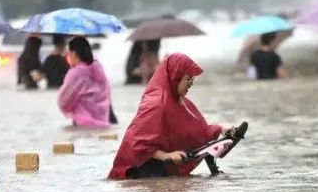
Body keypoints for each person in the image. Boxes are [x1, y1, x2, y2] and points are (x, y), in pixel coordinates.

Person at [108, 53, 236, 179]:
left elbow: (196, 131)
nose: (191, 84)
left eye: (192, 79)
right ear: (176, 76)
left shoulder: (180, 101)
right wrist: (166, 155)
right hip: (140, 170)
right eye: (188, 79)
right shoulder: (155, 103)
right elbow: (135, 143)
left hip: (162, 169)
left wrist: (220, 129)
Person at [57, 36, 112, 127]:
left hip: (82, 124)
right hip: (103, 123)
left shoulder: (76, 73)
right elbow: (107, 93)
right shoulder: (99, 69)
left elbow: (63, 101)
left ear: (74, 53)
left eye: (68, 53)